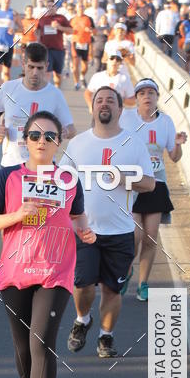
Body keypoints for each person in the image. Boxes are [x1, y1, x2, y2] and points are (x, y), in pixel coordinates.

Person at [0, 112, 96, 378]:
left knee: (40, 341)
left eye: (49, 136)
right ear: (24, 140)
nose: (41, 141)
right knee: (22, 350)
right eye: (34, 135)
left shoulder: (69, 179)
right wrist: (17, 215)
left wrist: (83, 231)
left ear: (59, 142)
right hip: (15, 272)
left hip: (55, 272)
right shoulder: (8, 177)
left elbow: (77, 215)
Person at [62, 87, 155, 357]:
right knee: (82, 285)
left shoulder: (133, 143)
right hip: (85, 230)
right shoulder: (78, 143)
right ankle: (83, 319)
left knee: (113, 290)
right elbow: (63, 183)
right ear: (92, 108)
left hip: (121, 232)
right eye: (99, 100)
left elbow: (149, 183)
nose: (104, 104)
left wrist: (125, 178)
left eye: (110, 101)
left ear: (119, 109)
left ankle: (106, 337)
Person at [120, 78, 187, 302]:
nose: (147, 96)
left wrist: (177, 144)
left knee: (150, 238)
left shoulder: (165, 122)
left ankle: (143, 284)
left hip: (156, 185)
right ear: (136, 98)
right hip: (134, 184)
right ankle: (127, 270)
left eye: (151, 92)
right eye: (142, 93)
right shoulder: (127, 118)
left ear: (157, 97)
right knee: (136, 235)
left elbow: (174, 158)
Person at [0, 42, 76, 166]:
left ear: (46, 66)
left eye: (39, 68)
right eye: (31, 67)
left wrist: (65, 132)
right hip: (12, 164)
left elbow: (72, 129)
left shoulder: (55, 94)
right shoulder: (8, 88)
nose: (35, 72)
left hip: (44, 166)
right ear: (23, 65)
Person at [36, 0, 73, 88]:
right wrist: (38, 41)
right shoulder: (42, 19)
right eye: (48, 6)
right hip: (46, 50)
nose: (50, 8)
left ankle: (57, 90)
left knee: (58, 74)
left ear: (56, 8)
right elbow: (37, 31)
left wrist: (59, 27)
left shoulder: (61, 18)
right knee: (47, 72)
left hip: (58, 49)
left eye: (52, 6)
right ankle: (46, 92)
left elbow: (71, 31)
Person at [70, 1, 95, 90]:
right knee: (75, 65)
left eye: (82, 7)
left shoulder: (89, 19)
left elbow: (94, 31)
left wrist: (90, 30)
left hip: (85, 44)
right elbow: (68, 30)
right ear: (76, 9)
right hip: (75, 43)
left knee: (85, 67)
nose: (80, 8)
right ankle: (76, 83)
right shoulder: (72, 19)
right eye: (79, 7)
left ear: (84, 9)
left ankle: (82, 76)